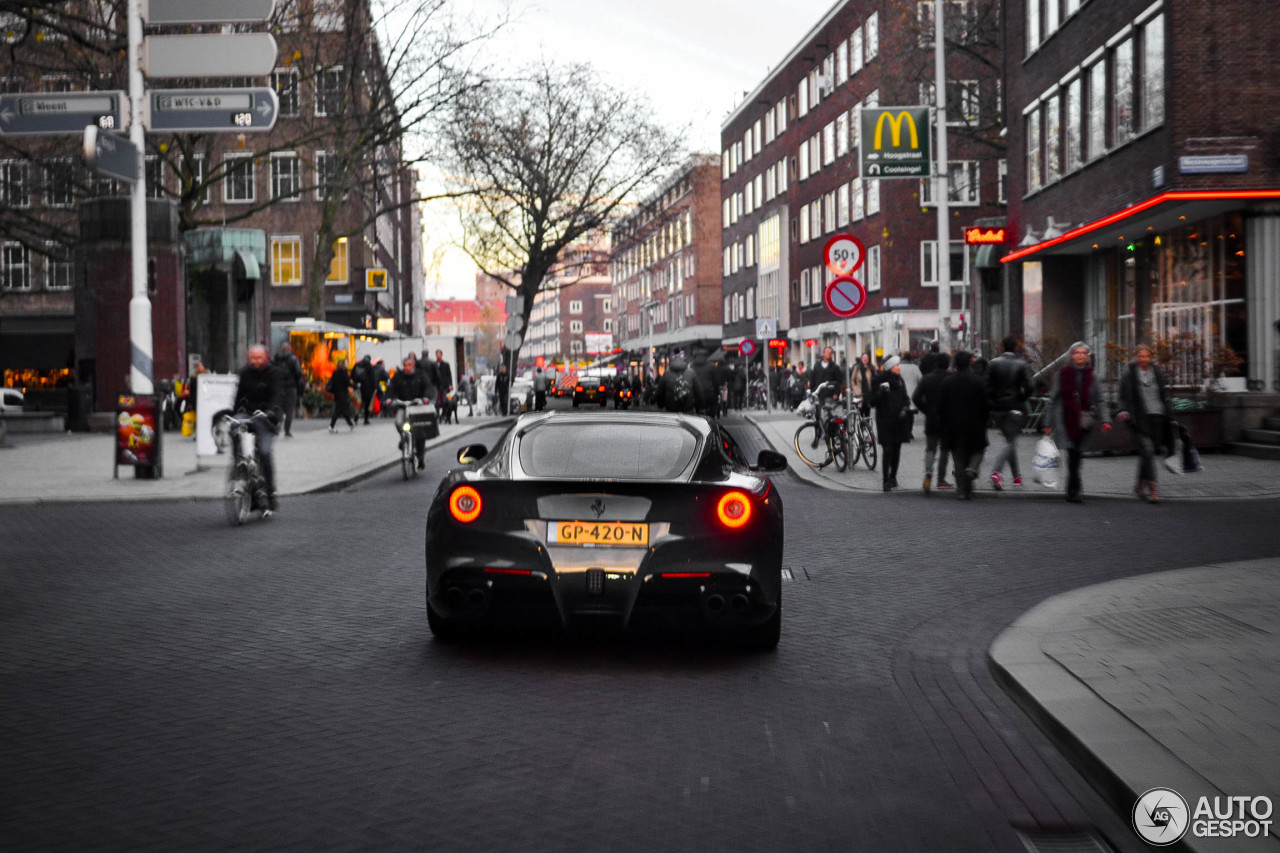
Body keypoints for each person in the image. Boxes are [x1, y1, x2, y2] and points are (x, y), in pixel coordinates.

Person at [1044, 343, 1112, 503]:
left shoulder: (1092, 376)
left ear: (1087, 356)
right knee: (1073, 453)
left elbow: (1100, 400)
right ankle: (1075, 490)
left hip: (1084, 421)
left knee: (1077, 455)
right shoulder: (1062, 375)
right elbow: (1053, 401)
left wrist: (1105, 420)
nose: (1080, 355)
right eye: (1077, 353)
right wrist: (1047, 424)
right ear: (1071, 355)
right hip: (1065, 420)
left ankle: (1071, 489)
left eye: (1083, 353)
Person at [1118, 343, 1172, 503]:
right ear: (1136, 357)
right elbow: (1123, 395)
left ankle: (1139, 485)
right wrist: (1123, 410)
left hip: (1157, 417)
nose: (1144, 359)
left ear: (1151, 357)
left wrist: (1171, 418)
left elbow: (1164, 396)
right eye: (1141, 356)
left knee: (1146, 453)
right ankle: (1153, 488)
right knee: (1148, 451)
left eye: (1147, 356)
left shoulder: (1157, 372)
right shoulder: (1129, 374)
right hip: (1139, 419)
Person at [232, 344, 283, 511]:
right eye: (253, 358)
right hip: (248, 414)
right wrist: (236, 411)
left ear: (265, 357)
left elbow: (276, 395)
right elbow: (239, 396)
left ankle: (270, 491)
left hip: (265, 418)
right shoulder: (245, 373)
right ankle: (240, 464)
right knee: (234, 427)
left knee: (265, 452)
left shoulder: (273, 373)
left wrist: (270, 411)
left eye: (259, 358)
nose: (256, 361)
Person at [938, 351, 989, 500]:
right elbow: (984, 405)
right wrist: (984, 420)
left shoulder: (948, 382)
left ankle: (961, 491)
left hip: (954, 426)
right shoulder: (977, 381)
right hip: (975, 424)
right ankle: (972, 469)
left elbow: (941, 407)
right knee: (978, 450)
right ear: (969, 363)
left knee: (958, 458)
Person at [986, 335, 1036, 489]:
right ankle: (996, 472)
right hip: (1014, 407)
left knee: (1010, 442)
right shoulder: (1022, 364)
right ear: (1015, 348)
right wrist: (1021, 397)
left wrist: (992, 401)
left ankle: (1017, 477)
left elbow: (987, 386)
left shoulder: (993, 363)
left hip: (998, 408)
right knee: (1011, 442)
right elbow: (1030, 386)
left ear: (1002, 347)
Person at [911, 350, 953, 493]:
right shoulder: (951, 377)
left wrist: (927, 410)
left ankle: (928, 472)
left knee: (930, 449)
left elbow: (916, 397)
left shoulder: (927, 378)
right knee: (945, 450)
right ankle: (941, 480)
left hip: (932, 419)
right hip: (947, 419)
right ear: (947, 364)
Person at [870, 354, 910, 492]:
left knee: (897, 449)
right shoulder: (878, 380)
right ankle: (885, 480)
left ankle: (893, 477)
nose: (899, 367)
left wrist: (905, 408)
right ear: (889, 367)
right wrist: (881, 392)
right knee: (887, 450)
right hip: (884, 420)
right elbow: (872, 401)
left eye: (899, 365)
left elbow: (906, 398)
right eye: (896, 365)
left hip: (899, 420)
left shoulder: (900, 380)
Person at [388, 355, 432, 469]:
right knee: (398, 423)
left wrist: (426, 397)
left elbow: (428, 386)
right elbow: (391, 389)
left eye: (409, 365)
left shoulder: (420, 375)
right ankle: (404, 439)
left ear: (413, 365)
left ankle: (421, 457)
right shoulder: (399, 376)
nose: (407, 367)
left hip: (417, 406)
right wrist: (388, 398)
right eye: (405, 365)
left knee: (420, 431)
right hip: (403, 405)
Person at [654, 348, 703, 414]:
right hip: (688, 410)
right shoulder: (691, 372)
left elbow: (660, 392)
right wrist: (698, 408)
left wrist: (661, 405)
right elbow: (698, 392)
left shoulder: (666, 373)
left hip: (671, 410)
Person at [271, 343, 304, 437]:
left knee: (279, 407)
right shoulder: (293, 359)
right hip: (291, 387)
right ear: (289, 349)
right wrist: (296, 381)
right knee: (290, 409)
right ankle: (287, 430)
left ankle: (277, 424)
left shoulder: (276, 358)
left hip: (279, 386)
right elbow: (298, 372)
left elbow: (272, 371)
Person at [326, 360, 355, 432]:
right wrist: (355, 385)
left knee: (341, 409)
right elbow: (348, 383)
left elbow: (332, 382)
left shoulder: (335, 373)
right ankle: (331, 426)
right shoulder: (344, 373)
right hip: (343, 394)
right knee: (339, 410)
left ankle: (350, 424)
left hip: (337, 394)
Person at [351, 354, 377, 426]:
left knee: (358, 403)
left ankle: (356, 417)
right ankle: (366, 419)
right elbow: (373, 379)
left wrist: (355, 384)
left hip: (357, 387)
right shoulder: (370, 367)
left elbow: (352, 376)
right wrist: (374, 388)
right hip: (367, 388)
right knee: (366, 404)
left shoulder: (357, 365)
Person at [852, 351, 875, 417]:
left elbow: (875, 380)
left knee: (867, 414)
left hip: (868, 395)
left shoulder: (871, 368)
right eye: (864, 357)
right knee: (860, 414)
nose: (865, 359)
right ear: (861, 359)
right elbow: (853, 381)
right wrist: (856, 391)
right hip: (859, 394)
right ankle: (860, 426)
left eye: (867, 357)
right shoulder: (857, 368)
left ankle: (867, 426)